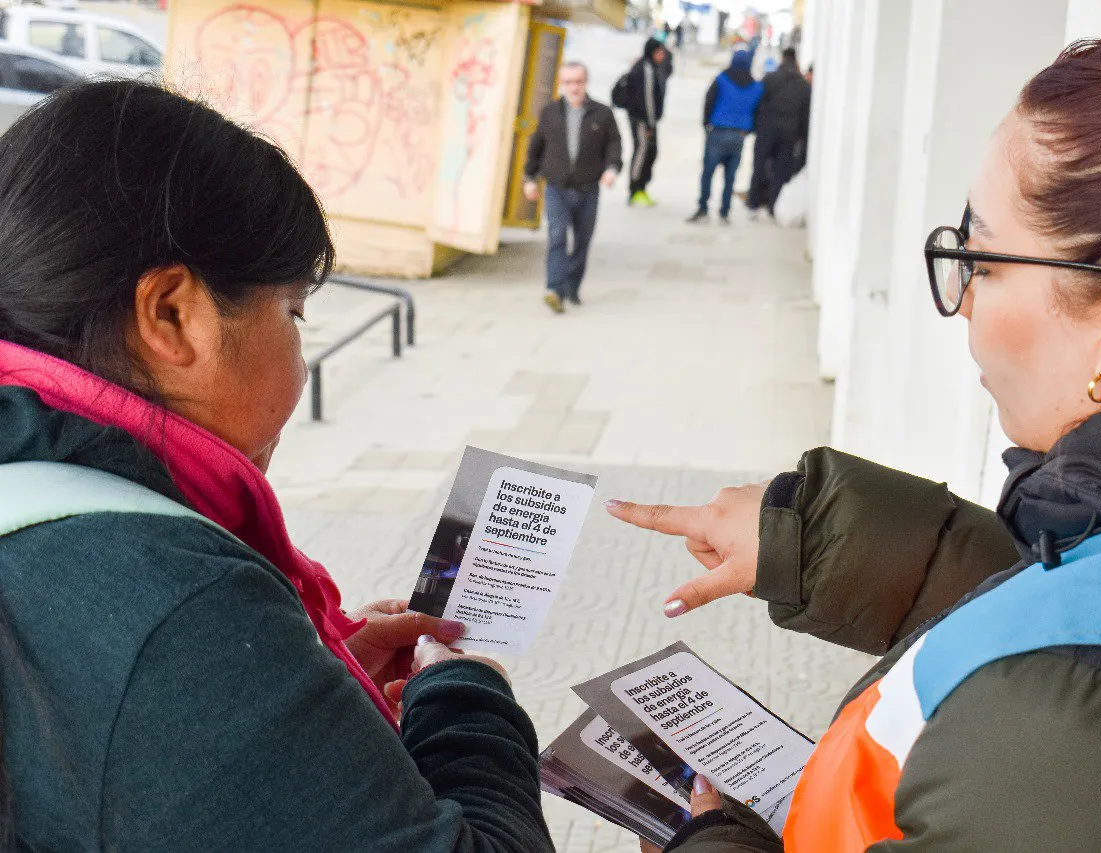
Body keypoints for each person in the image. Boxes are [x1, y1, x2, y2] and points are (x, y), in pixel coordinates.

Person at [614, 22, 1101, 852]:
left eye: (986, 259)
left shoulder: (1090, 744)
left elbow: (1093, 681)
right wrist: (822, 542)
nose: (964, 298)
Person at [0, 80, 553, 851]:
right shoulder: (181, 611)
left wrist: (297, 701)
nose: (301, 355)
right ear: (172, 315)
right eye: (293, 312)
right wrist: (466, 697)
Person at [524, 61, 622, 313]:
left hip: (588, 189)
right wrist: (530, 178)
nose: (574, 87)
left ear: (585, 83)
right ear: (561, 85)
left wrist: (612, 169)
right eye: (568, 82)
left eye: (578, 82)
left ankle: (572, 287)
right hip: (557, 187)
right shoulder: (551, 112)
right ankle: (555, 289)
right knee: (557, 236)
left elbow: (614, 145)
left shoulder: (601, 113)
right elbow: (537, 147)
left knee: (581, 241)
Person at [688, 49, 762, 225]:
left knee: (708, 173)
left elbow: (709, 101)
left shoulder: (721, 79)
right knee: (730, 177)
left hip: (718, 132)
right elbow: (759, 112)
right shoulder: (756, 87)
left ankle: (703, 208)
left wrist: (706, 125)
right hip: (739, 135)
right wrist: (749, 130)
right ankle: (724, 212)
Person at [746, 47, 810, 221]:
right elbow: (805, 116)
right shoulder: (803, 85)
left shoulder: (770, 78)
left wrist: (754, 126)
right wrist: (802, 137)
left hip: (766, 131)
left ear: (782, 59)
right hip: (788, 134)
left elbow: (757, 104)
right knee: (780, 171)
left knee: (758, 167)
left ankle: (753, 204)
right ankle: (773, 206)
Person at [625, 38, 669, 208]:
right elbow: (648, 99)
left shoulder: (652, 67)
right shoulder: (645, 68)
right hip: (642, 120)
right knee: (642, 152)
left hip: (646, 120)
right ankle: (634, 190)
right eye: (659, 52)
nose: (662, 56)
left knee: (651, 152)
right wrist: (650, 124)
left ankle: (641, 188)